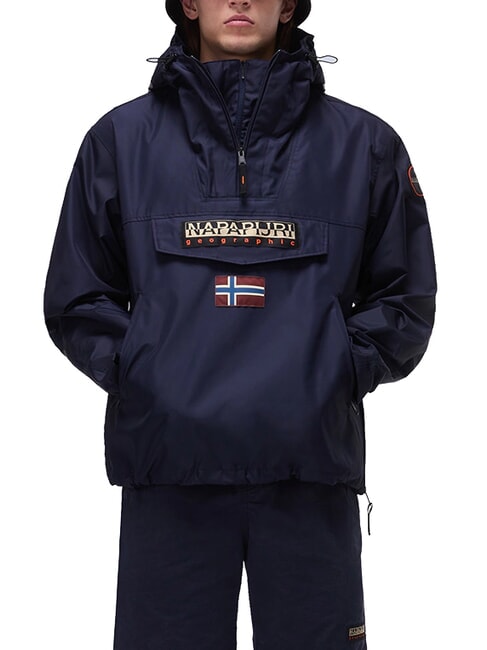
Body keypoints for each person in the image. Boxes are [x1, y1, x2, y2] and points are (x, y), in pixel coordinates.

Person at [43, 0, 437, 648]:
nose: (240, 0)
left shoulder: (365, 144)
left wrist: (330, 373)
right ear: (189, 3)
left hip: (308, 471)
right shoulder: (118, 141)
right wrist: (151, 373)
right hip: (171, 471)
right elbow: (77, 296)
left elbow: (406, 299)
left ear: (288, 6)